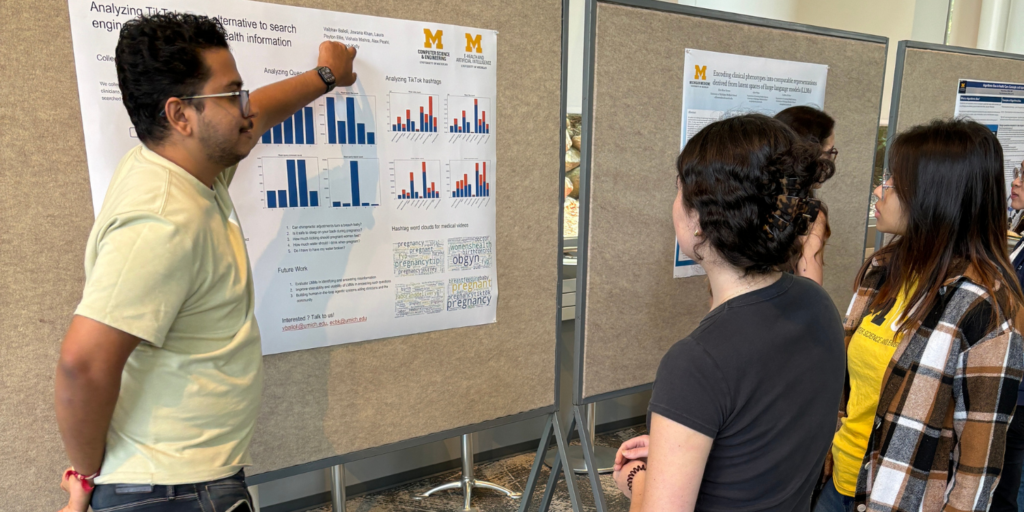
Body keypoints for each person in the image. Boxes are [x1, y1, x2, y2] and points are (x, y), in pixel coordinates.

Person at [54, 13, 356, 512]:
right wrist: (84, 477)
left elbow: (260, 111)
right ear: (180, 116)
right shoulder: (162, 219)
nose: (245, 108)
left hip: (184, 482)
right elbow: (81, 363)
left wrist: (326, 77)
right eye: (232, 94)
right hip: (172, 492)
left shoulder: (183, 167)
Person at [611, 114, 846, 511]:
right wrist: (680, 446)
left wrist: (637, 479)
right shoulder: (817, 304)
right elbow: (766, 439)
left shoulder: (696, 362)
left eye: (678, 191)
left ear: (701, 220)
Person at [814, 118, 1024, 512]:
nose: (879, 191)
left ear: (934, 196)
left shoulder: (986, 308)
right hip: (839, 484)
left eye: (893, 182)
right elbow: (847, 382)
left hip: (900, 499)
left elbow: (977, 469)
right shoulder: (880, 270)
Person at [774, 105, 837, 285]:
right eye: (829, 152)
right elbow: (811, 289)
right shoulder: (809, 214)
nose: (830, 162)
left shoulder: (744, 199)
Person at [992, 163, 1024, 512]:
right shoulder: (1016, 226)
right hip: (1006, 375)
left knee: (1003, 486)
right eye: (1017, 172)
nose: (1015, 181)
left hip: (1016, 385)